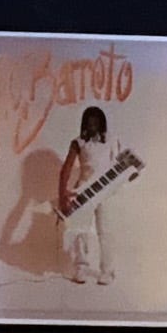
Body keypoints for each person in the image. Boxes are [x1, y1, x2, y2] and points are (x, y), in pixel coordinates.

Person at [57, 105, 122, 285]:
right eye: (89, 124)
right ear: (84, 124)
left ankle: (107, 271)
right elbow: (65, 170)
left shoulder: (112, 140)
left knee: (105, 231)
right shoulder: (78, 142)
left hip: (105, 191)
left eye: (95, 123)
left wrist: (128, 176)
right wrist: (63, 197)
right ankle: (81, 267)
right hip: (84, 190)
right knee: (80, 230)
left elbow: (120, 167)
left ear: (101, 124)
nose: (92, 127)